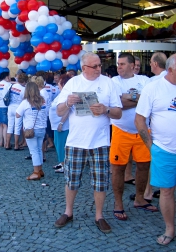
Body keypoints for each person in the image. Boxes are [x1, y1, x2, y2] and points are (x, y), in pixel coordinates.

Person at [54, 52, 122, 233]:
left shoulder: (109, 83)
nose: (99, 69)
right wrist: (67, 102)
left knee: (100, 181)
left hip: (100, 142)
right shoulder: (73, 83)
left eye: (100, 65)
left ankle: (99, 216)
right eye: (95, 66)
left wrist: (106, 109)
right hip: (76, 141)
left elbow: (118, 113)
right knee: (71, 179)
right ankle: (68, 212)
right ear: (84, 68)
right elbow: (59, 112)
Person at [110, 52, 157, 221]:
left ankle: (139, 198)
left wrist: (128, 98)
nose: (119, 67)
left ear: (132, 65)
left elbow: (148, 101)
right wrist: (139, 98)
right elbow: (116, 104)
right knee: (118, 168)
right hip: (120, 131)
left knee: (144, 166)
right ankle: (118, 204)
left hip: (143, 130)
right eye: (118, 64)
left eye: (122, 64)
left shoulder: (144, 80)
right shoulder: (114, 81)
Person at [135, 54, 176, 246]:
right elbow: (140, 119)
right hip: (164, 150)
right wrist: (152, 147)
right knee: (166, 191)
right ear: (170, 70)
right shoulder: (153, 88)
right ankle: (170, 229)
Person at [16, 82, 47, 180]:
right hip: (42, 128)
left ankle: (36, 172)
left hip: (31, 130)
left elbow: (17, 114)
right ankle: (40, 169)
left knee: (34, 151)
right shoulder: (43, 100)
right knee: (39, 149)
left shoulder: (26, 102)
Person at [49, 74, 71, 173]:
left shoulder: (66, 95)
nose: (57, 83)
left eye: (59, 82)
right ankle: (61, 162)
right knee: (58, 143)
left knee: (62, 144)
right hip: (56, 124)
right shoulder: (61, 93)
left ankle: (64, 164)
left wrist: (61, 123)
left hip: (62, 125)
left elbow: (67, 110)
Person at [6, 72, 27, 151]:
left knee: (10, 126)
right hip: (18, 108)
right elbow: (24, 100)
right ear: (24, 81)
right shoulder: (24, 89)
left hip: (10, 107)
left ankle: (7, 144)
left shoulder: (12, 86)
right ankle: (16, 145)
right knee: (17, 127)